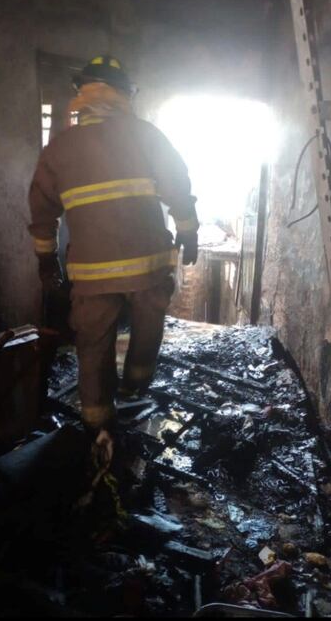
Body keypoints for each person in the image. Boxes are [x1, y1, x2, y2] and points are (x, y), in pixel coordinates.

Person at [28, 55, 199, 468]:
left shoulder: (60, 148)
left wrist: (47, 260)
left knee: (92, 347)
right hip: (148, 266)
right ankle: (136, 391)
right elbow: (177, 181)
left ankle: (98, 429)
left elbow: (42, 210)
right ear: (125, 95)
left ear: (80, 97)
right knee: (147, 331)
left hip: (91, 274)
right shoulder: (146, 135)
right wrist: (188, 229)